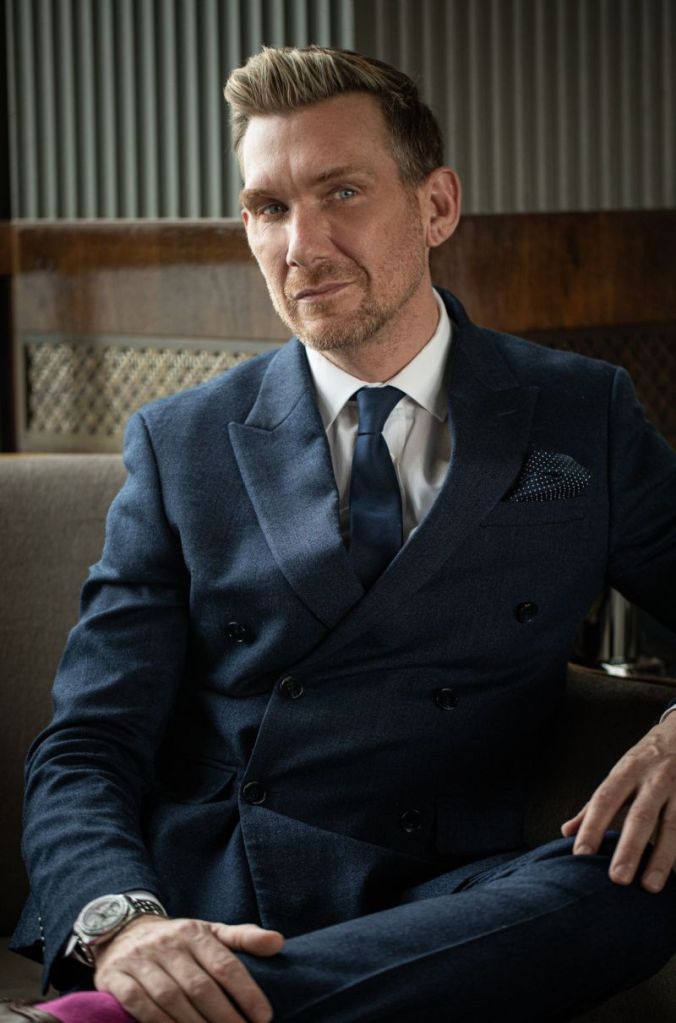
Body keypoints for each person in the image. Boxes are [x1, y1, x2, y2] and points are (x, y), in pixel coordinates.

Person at [8, 45, 676, 1023]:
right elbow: (87, 743)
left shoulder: (582, 414)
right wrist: (124, 926)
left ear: (436, 206)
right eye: (268, 207)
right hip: (218, 892)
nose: (300, 245)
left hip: (448, 891)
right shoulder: (183, 441)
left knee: (646, 877)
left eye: (342, 193)